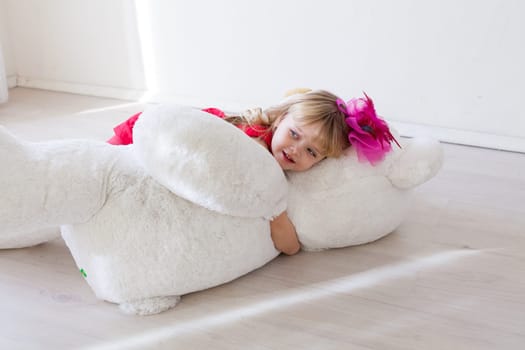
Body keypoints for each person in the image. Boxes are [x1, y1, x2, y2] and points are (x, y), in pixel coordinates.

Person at [107, 89, 398, 255]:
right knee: (114, 165)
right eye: (294, 134)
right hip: (158, 134)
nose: (296, 150)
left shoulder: (277, 181)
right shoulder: (252, 146)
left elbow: (290, 247)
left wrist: (276, 212)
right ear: (281, 119)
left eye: (312, 152)